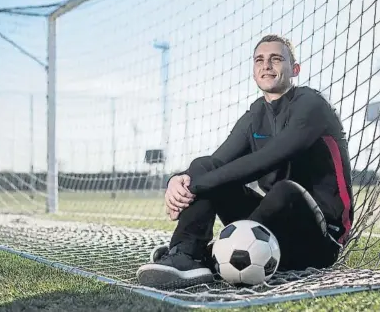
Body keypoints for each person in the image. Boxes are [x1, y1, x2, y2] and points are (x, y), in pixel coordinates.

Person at [136, 34, 354, 289]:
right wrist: (179, 179)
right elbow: (217, 161)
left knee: (286, 190)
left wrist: (195, 187)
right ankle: (186, 254)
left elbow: (268, 159)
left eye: (276, 59)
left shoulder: (312, 104)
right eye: (259, 60)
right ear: (253, 71)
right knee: (203, 165)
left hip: (322, 237)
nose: (266, 65)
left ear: (294, 69)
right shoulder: (255, 114)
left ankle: (212, 255)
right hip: (270, 230)